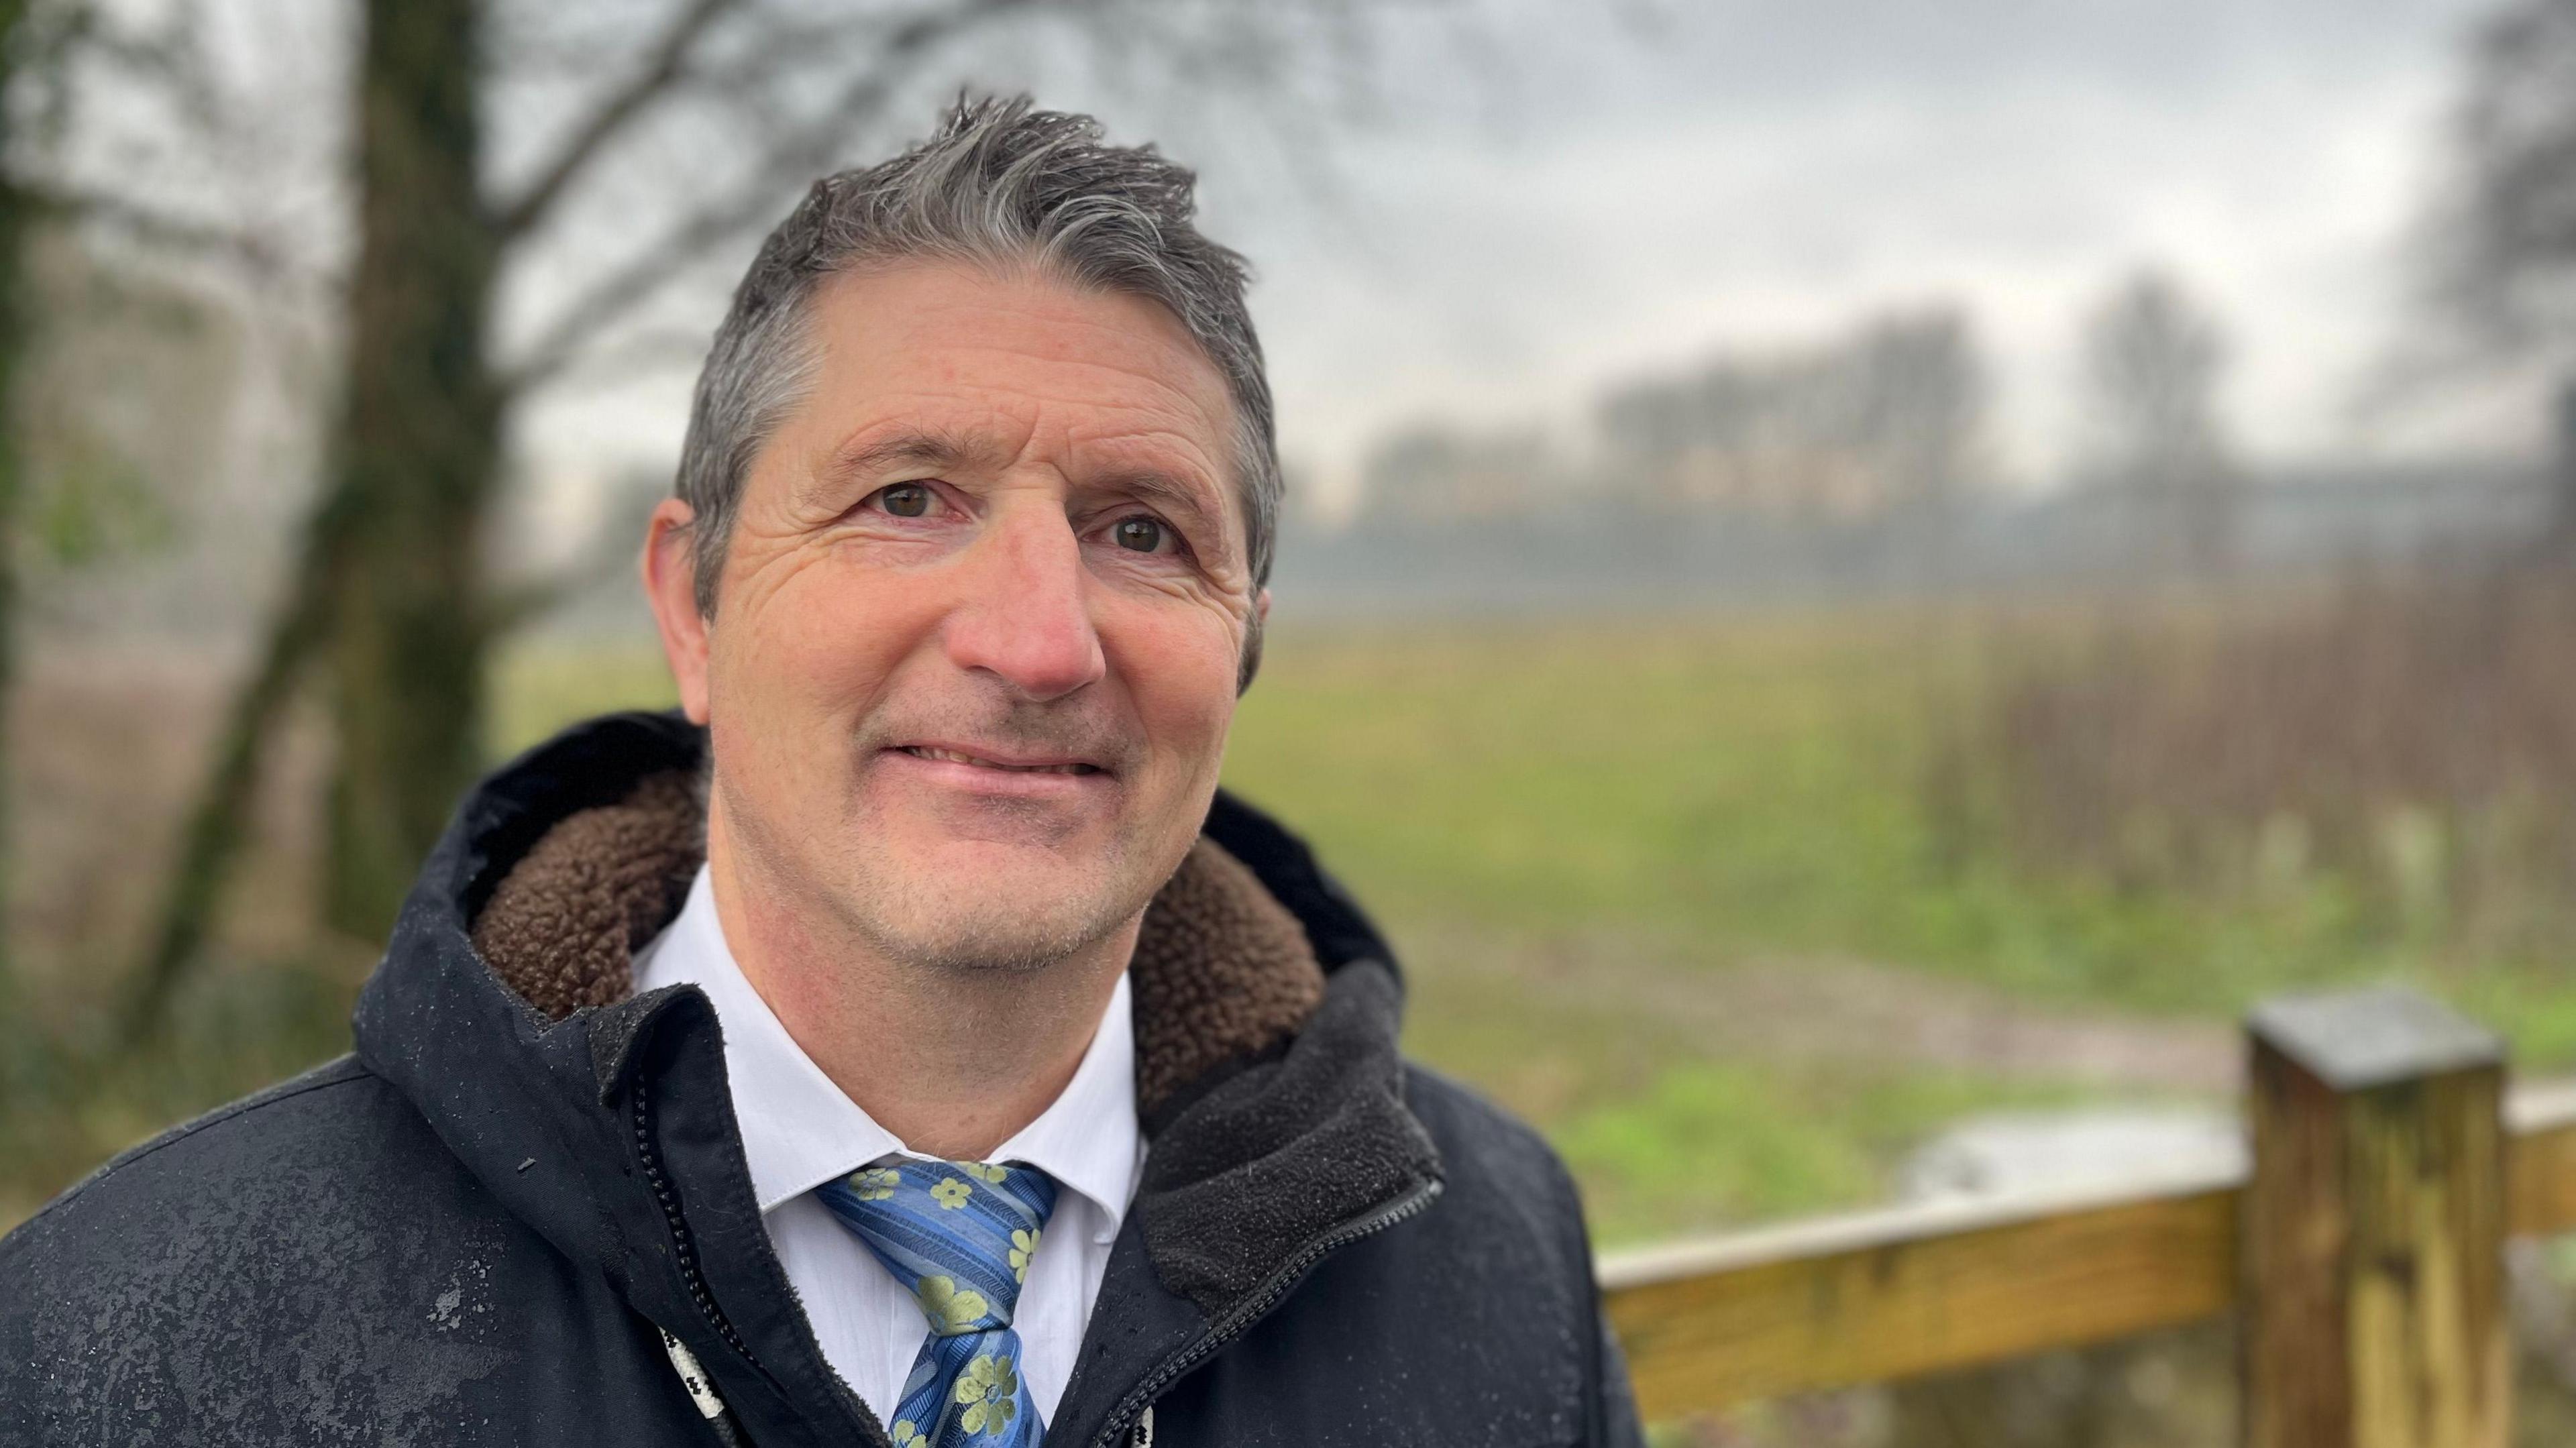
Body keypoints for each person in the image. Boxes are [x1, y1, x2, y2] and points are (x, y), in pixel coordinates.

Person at [0, 97, 1644, 1447]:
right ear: (692, 607)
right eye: (907, 498)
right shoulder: (150, 1345)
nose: (1036, 640)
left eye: (1142, 530)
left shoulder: (1486, 1269)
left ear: (1247, 645)